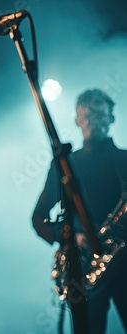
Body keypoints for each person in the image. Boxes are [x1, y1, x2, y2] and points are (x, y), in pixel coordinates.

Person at [32, 88, 127, 333]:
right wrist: (70, 237)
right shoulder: (66, 163)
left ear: (112, 118)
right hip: (84, 268)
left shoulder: (124, 160)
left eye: (99, 116)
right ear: (76, 120)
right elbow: (39, 217)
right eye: (86, 116)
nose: (92, 122)